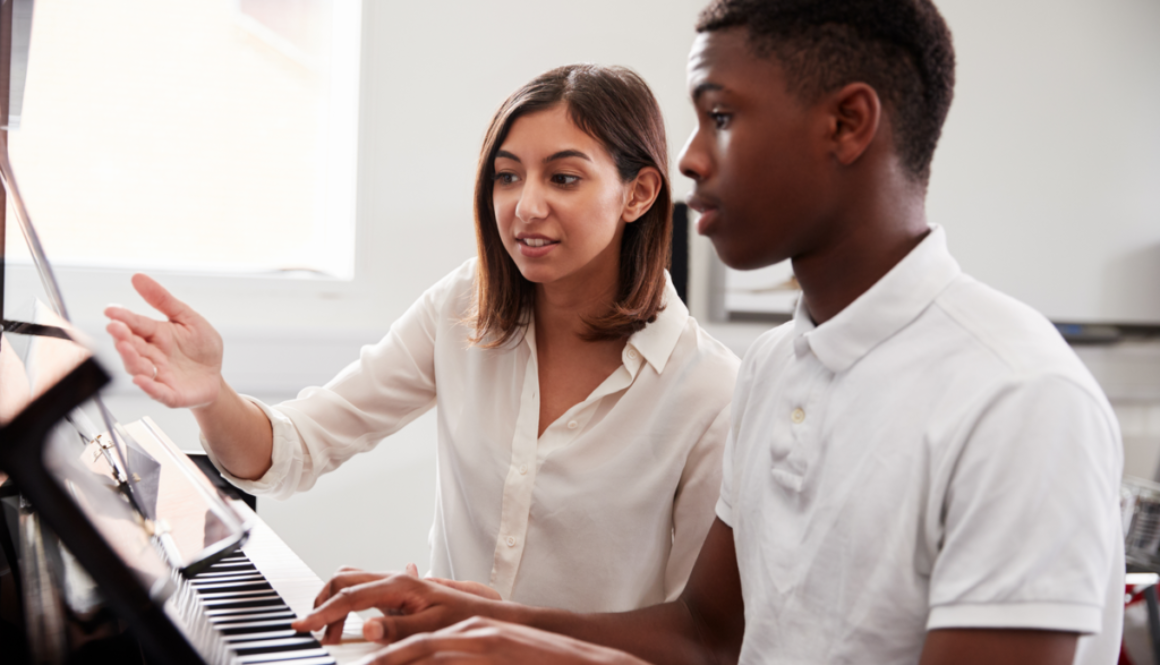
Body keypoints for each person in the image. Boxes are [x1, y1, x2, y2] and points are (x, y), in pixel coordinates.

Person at [291, 1, 1125, 664]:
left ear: (847, 124)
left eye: (719, 116)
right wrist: (482, 617)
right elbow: (704, 634)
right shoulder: (777, 366)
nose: (688, 159)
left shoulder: (1019, 399)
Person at [104, 64, 739, 614]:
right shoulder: (464, 306)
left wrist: (498, 634)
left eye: (563, 179)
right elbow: (295, 451)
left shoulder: (711, 391)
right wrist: (212, 395)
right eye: (507, 176)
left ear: (639, 193)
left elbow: (692, 636)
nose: (524, 206)